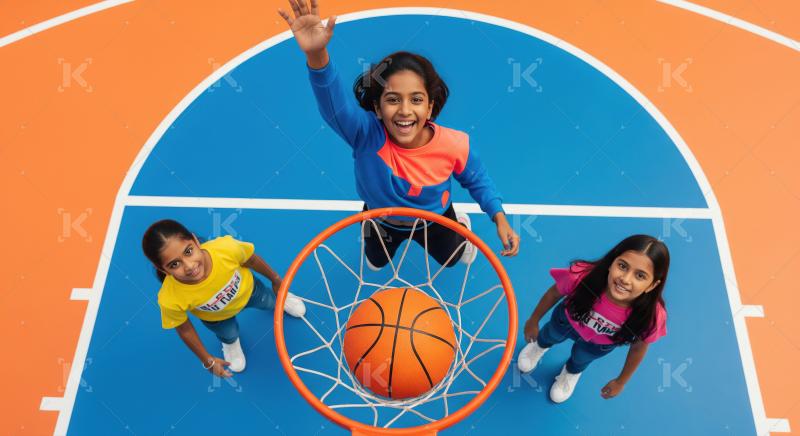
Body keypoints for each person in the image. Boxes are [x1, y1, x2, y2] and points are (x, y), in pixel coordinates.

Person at [277, 0, 520, 270]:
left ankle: (459, 224)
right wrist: (317, 55)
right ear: (378, 108)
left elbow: (477, 180)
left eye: (416, 100)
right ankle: (386, 247)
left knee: (452, 259)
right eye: (393, 99)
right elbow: (334, 104)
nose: (405, 110)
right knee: (376, 261)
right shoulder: (365, 134)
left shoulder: (454, 144)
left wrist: (499, 217)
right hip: (380, 220)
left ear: (429, 107)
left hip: (434, 220)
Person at [142, 219, 306, 378]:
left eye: (188, 251)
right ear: (162, 269)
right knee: (229, 334)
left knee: (271, 301)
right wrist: (207, 360)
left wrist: (276, 280)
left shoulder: (226, 249)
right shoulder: (170, 298)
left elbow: (252, 260)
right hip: (217, 318)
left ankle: (282, 299)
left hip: (251, 292)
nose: (189, 266)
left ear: (195, 240)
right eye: (174, 264)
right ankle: (231, 344)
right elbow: (184, 329)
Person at [517, 235, 669, 402]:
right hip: (567, 320)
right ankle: (540, 346)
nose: (625, 279)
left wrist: (621, 381)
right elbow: (554, 293)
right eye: (622, 266)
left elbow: (639, 348)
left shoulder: (652, 316)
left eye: (640, 276)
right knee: (549, 335)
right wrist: (534, 320)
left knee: (581, 358)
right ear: (612, 262)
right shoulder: (582, 277)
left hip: (600, 343)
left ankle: (571, 372)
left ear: (652, 285)